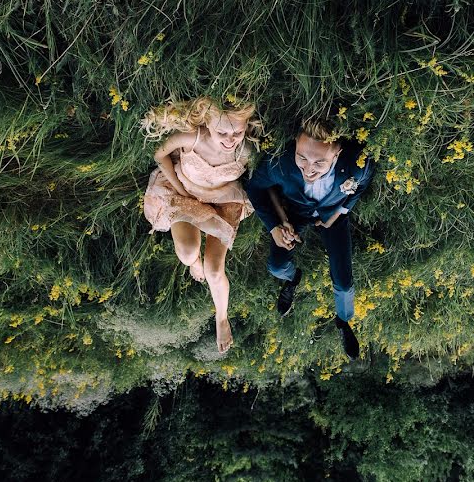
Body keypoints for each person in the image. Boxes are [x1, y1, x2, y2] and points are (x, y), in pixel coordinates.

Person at [245, 116, 376, 359]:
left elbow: (363, 183)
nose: (308, 168)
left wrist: (339, 213)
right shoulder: (281, 163)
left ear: (336, 155)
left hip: (332, 216)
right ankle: (292, 279)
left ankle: (343, 320)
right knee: (276, 266)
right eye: (302, 157)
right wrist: (274, 225)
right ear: (295, 144)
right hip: (296, 213)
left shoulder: (357, 163)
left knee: (344, 283)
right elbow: (254, 186)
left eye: (320, 162)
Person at [142, 97, 260, 354]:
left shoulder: (246, 151)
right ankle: (193, 262)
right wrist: (176, 186)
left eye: (237, 132)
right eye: (223, 132)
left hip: (222, 200)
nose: (231, 139)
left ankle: (221, 317)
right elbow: (159, 153)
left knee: (215, 270)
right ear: (207, 123)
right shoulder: (191, 138)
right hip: (185, 193)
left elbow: (259, 176)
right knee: (187, 253)